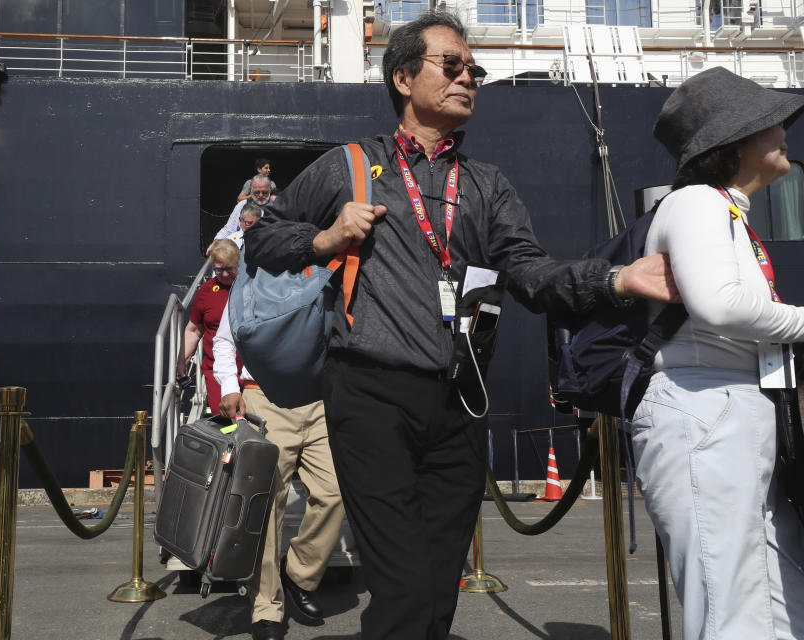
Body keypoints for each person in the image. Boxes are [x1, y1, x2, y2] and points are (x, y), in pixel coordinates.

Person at [243, 10, 678, 640]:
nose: (468, 78)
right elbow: (262, 237)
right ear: (402, 77)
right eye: (452, 66)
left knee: (440, 587)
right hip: (370, 395)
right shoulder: (350, 166)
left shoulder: (485, 186)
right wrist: (325, 237)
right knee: (402, 589)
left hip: (461, 404)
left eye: (474, 69)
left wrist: (616, 280)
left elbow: (530, 275)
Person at [632, 67, 804, 640]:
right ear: (728, 145)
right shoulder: (698, 204)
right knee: (733, 608)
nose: (782, 129)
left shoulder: (723, 211)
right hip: (705, 406)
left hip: (730, 407)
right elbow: (720, 306)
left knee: (778, 604)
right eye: (766, 124)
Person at [213, 306, 344, 640]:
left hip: (319, 400)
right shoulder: (254, 274)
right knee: (268, 505)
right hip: (264, 396)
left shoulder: (323, 272)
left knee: (336, 491)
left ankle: (299, 574)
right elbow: (225, 340)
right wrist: (230, 385)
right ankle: (266, 607)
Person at [182, 239, 242, 416]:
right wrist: (182, 361)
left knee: (252, 427)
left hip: (250, 374)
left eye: (229, 269)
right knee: (226, 426)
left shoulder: (253, 288)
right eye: (218, 269)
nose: (223, 275)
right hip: (218, 373)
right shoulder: (207, 291)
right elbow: (193, 330)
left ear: (239, 264)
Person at [210, 175, 272, 253]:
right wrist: (216, 242)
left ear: (270, 190)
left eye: (264, 192)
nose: (260, 195)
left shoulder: (276, 207)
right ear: (251, 191)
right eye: (257, 192)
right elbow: (229, 229)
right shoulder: (242, 205)